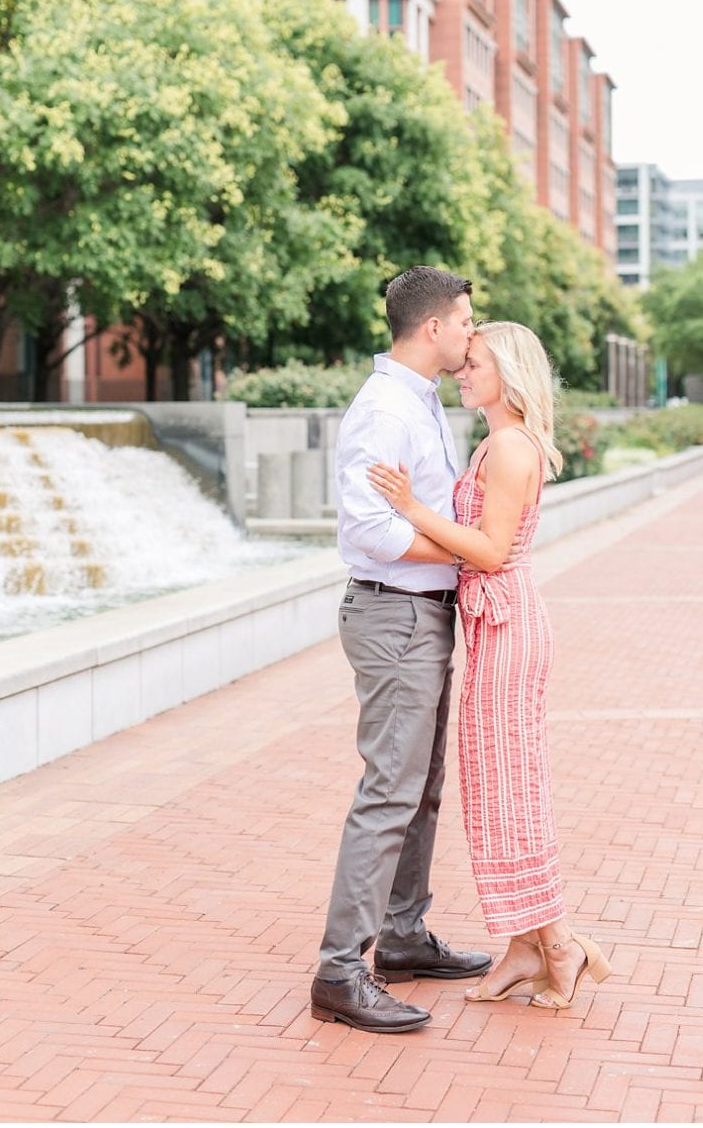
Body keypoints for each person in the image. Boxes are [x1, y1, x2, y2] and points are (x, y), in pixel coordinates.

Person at [368, 321, 613, 1010]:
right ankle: (522, 944)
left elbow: (491, 549)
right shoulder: (494, 440)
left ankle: (561, 946)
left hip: (508, 626)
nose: (460, 371)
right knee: (494, 788)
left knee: (512, 790)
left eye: (473, 363)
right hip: (493, 625)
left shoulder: (508, 447)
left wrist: (411, 509)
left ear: (507, 369)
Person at [312, 266, 489, 1034]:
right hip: (395, 617)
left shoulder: (419, 398)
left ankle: (406, 935)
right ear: (432, 329)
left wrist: (454, 554)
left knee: (419, 788)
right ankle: (341, 969)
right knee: (390, 791)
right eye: (466, 321)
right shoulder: (383, 408)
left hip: (423, 614)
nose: (471, 334)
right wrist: (462, 551)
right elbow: (369, 530)